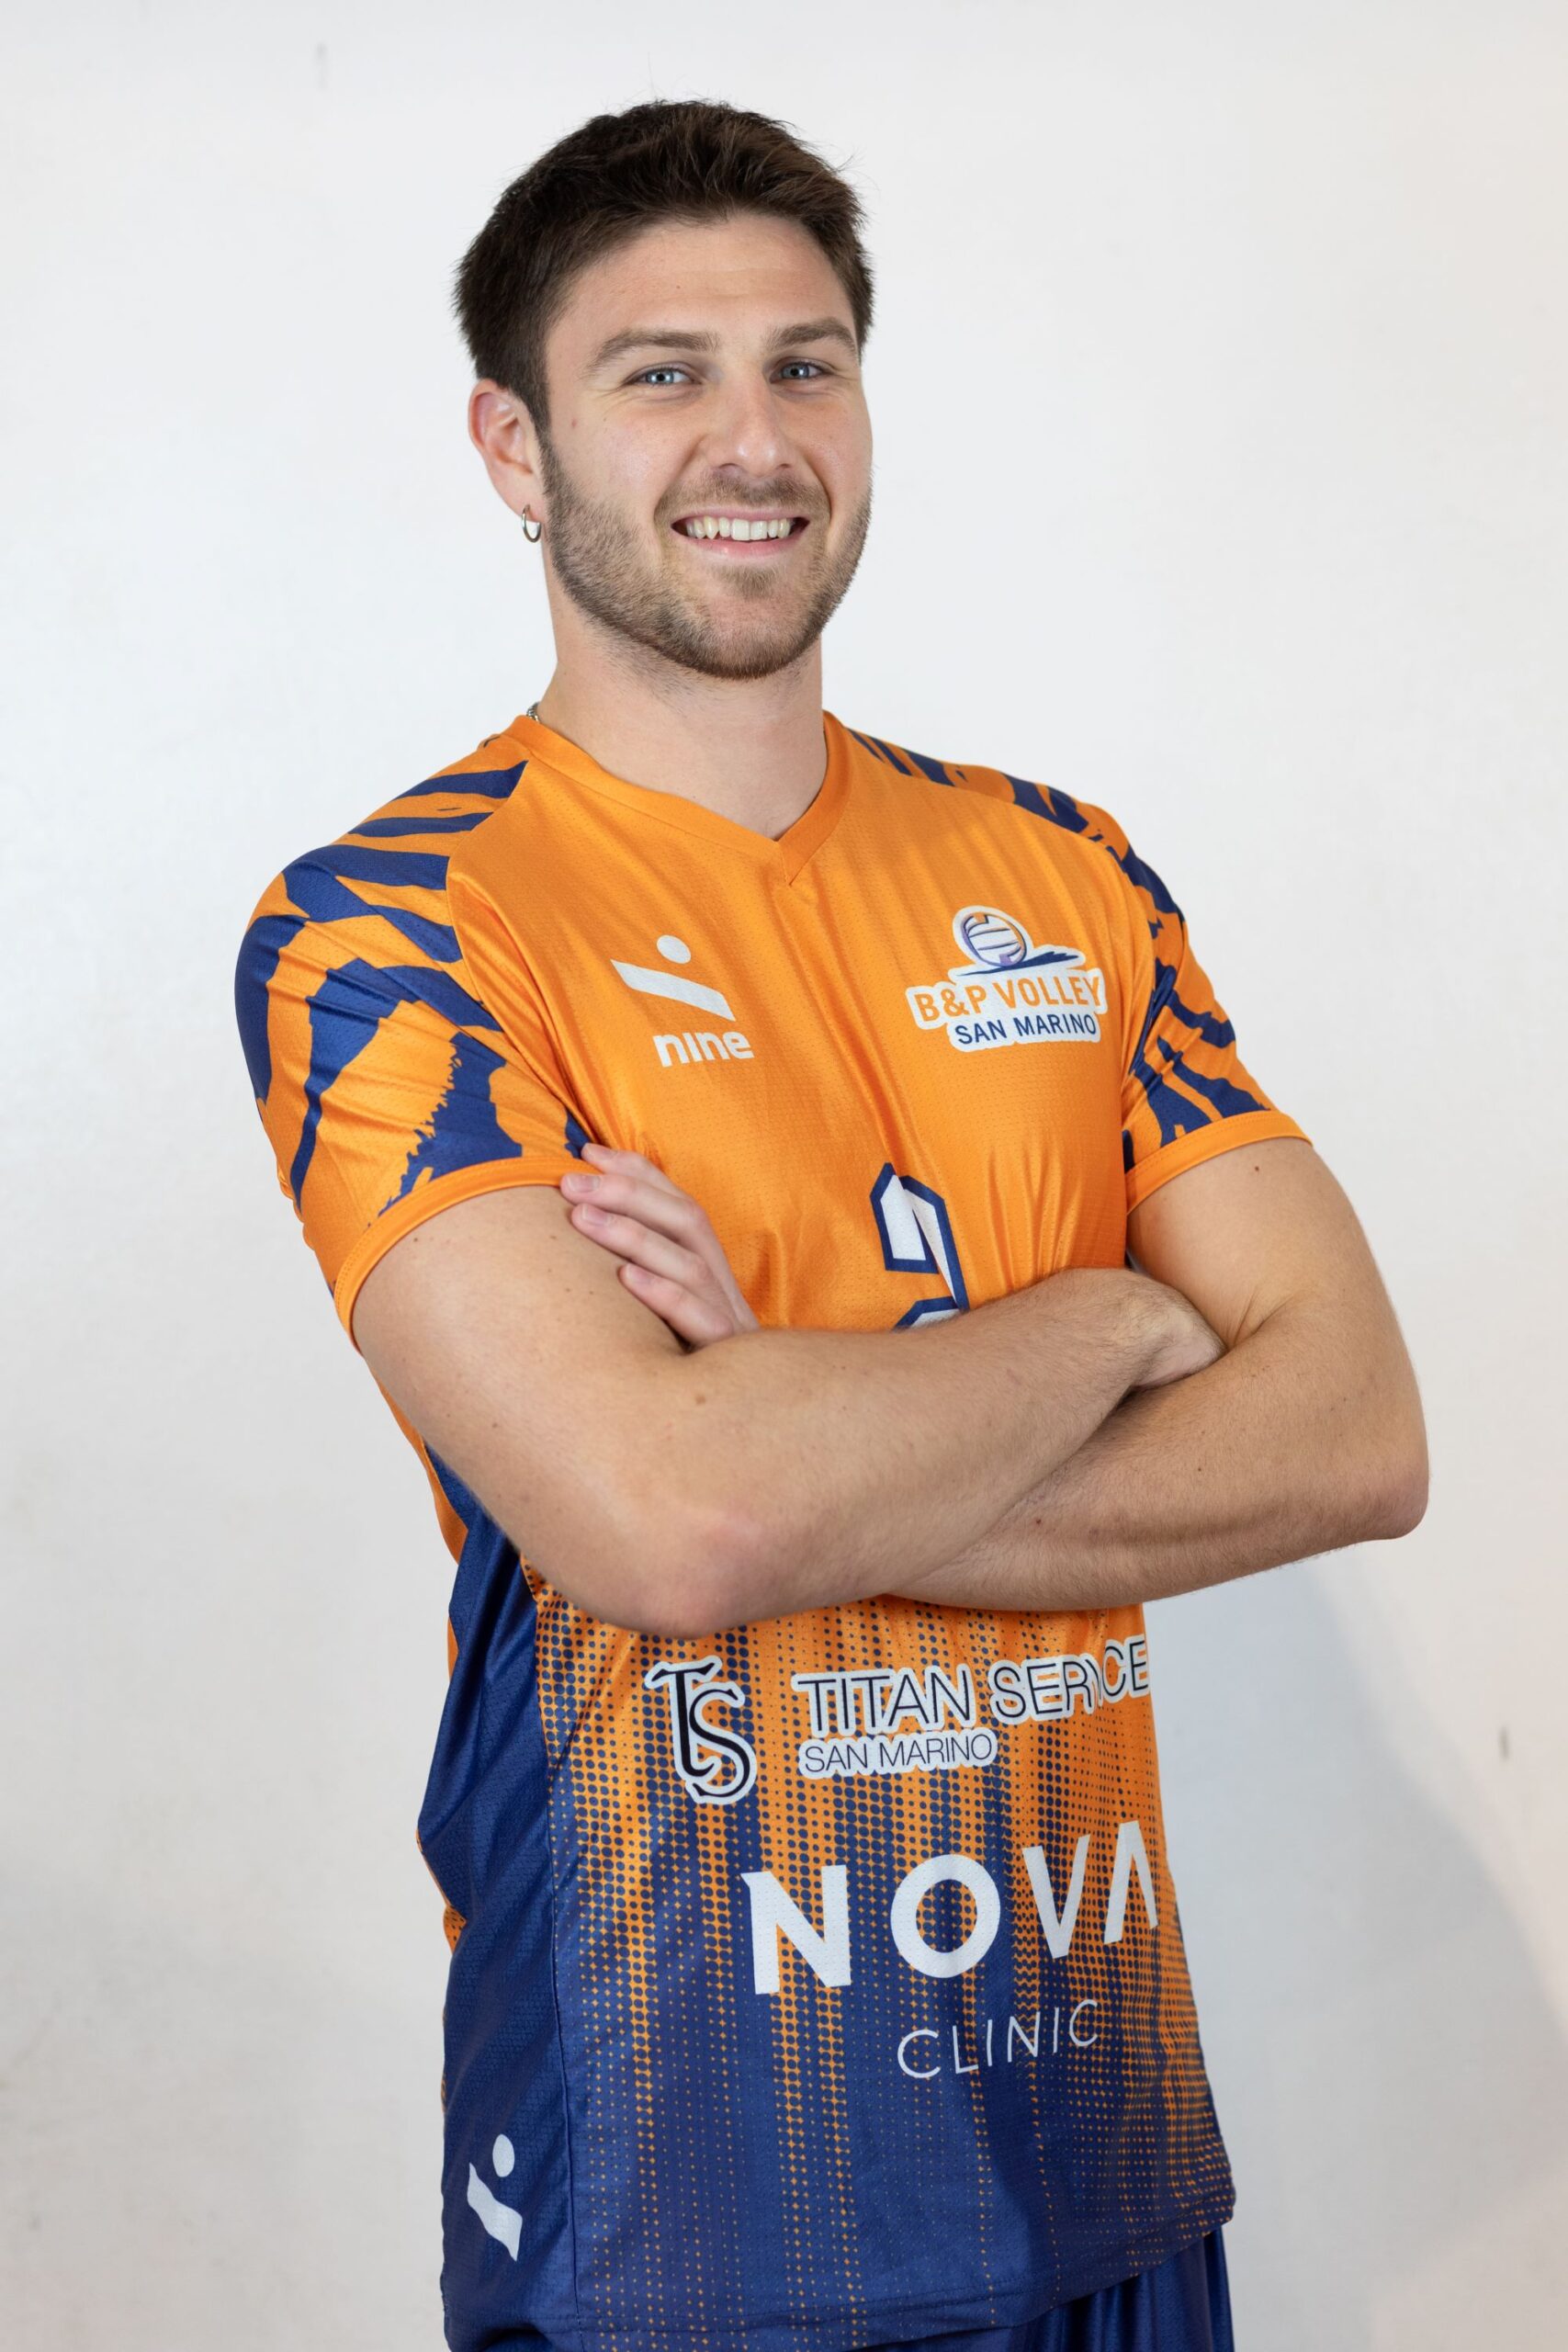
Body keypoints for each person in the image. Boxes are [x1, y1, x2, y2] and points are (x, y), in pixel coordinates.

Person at [233, 97, 1427, 2352]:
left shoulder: (1062, 873)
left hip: (1095, 2127)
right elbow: (670, 1523)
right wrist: (1107, 1313)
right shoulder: (390, 925)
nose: (752, 436)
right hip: (686, 2170)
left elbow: (1357, 1432)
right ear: (513, 446)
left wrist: (801, 1421)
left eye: (806, 362)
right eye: (659, 372)